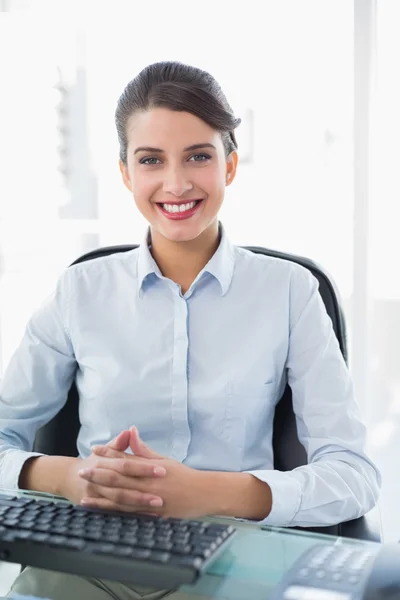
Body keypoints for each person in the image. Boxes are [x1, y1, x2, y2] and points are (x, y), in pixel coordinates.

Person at [0, 61, 380, 600]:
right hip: (84, 554)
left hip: (231, 557)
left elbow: (354, 475)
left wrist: (209, 492)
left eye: (198, 156)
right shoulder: (79, 291)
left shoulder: (291, 292)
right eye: (151, 160)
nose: (175, 183)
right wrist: (66, 477)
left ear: (229, 165)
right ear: (127, 173)